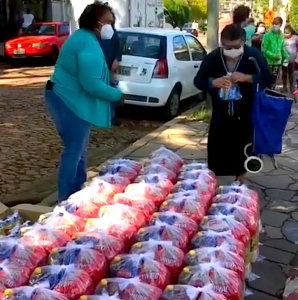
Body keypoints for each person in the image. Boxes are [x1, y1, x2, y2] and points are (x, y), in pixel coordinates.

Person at [44, 1, 123, 202]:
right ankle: (65, 199)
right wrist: (117, 95)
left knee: (78, 148)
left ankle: (76, 192)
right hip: (66, 101)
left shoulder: (86, 39)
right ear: (95, 21)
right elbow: (91, 84)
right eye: (107, 22)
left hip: (68, 99)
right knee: (74, 149)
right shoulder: (87, 43)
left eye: (112, 23)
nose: (110, 27)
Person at [193, 24, 273, 183]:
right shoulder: (214, 57)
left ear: (243, 42)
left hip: (246, 110)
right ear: (222, 43)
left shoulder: (252, 55)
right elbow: (198, 80)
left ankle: (240, 182)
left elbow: (268, 78)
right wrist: (212, 82)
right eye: (227, 47)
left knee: (242, 147)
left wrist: (247, 78)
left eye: (236, 47)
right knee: (217, 148)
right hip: (220, 112)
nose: (232, 51)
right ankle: (212, 183)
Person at [99, 5, 122, 126]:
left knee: (109, 92)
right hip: (97, 67)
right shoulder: (94, 34)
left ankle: (111, 117)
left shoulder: (113, 33)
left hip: (108, 68)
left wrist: (117, 60)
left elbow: (118, 47)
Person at [262, 17, 289, 88]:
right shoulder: (267, 35)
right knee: (267, 79)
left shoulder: (282, 36)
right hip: (268, 62)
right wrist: (273, 56)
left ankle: (272, 91)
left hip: (277, 62)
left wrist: (286, 57)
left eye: (277, 24)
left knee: (274, 79)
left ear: (280, 25)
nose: (274, 25)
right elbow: (264, 49)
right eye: (273, 23)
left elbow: (282, 48)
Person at [282, 25, 298, 92]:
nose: (286, 34)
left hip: (292, 58)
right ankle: (284, 86)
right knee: (284, 73)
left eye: (288, 33)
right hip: (285, 58)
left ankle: (292, 87)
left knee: (291, 73)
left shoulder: (295, 38)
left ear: (291, 32)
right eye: (285, 33)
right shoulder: (282, 38)